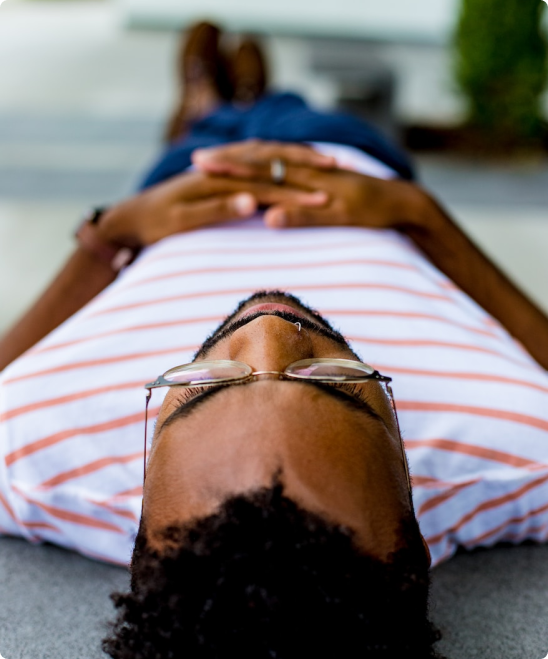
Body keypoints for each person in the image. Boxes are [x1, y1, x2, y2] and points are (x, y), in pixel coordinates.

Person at [1, 21, 547, 659]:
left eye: (203, 387)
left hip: (179, 195)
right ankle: (258, 94)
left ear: (139, 532)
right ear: (415, 525)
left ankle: (205, 106)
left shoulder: (41, 466)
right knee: (304, 113)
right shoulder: (515, 458)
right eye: (337, 383)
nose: (269, 326)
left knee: (200, 140)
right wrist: (420, 216)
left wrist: (112, 234)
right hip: (349, 170)